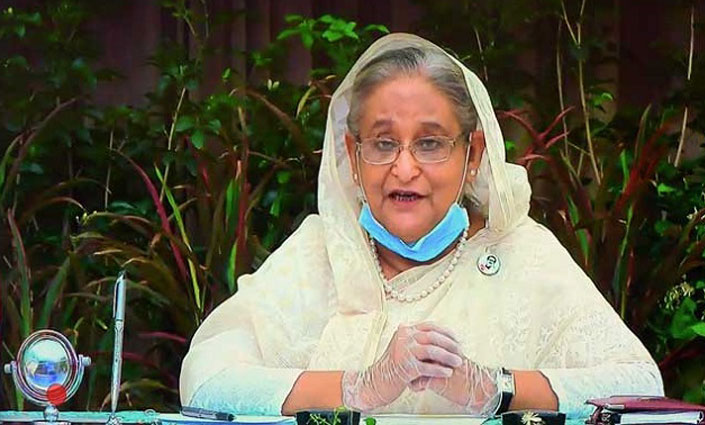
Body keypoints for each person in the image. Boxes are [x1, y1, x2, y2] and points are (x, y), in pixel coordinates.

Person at [179, 33, 664, 418]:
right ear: (352, 155)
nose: (404, 168)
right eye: (383, 143)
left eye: (430, 143)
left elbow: (640, 386)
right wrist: (359, 388)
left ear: (472, 154)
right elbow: (205, 380)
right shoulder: (322, 252)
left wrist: (494, 388)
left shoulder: (522, 254)